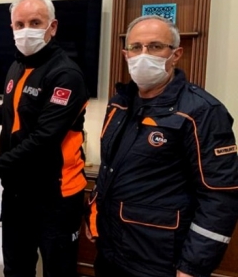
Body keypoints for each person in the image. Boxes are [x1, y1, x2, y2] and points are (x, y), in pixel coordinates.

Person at [86, 15, 238, 277]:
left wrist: (192, 267)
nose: (143, 54)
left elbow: (220, 197)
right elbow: (110, 170)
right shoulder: (119, 104)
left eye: (155, 46)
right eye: (136, 47)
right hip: (111, 250)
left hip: (160, 259)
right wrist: (94, 213)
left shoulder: (202, 111)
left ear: (176, 54)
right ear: (125, 54)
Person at [0, 0, 89, 277]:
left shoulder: (66, 75)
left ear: (52, 27)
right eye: (19, 24)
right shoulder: (17, 65)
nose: (26, 30)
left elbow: (44, 138)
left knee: (59, 272)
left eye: (35, 23)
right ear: (11, 28)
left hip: (55, 195)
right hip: (18, 193)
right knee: (16, 269)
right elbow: (17, 112)